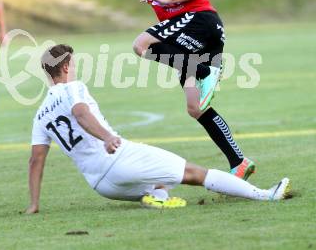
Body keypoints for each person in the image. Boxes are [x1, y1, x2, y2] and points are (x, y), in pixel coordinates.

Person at [51, 0, 255, 180]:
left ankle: (203, 72)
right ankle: (238, 161)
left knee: (141, 44)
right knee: (196, 107)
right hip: (185, 35)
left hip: (200, 21)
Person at [26, 44, 291, 214]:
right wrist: (107, 137)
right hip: (119, 158)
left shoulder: (40, 113)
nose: (75, 68)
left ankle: (157, 197)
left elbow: (36, 160)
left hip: (100, 183)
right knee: (194, 173)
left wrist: (34, 204)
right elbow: (80, 113)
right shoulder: (73, 88)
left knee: (162, 180)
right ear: (64, 67)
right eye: (73, 64)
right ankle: (266, 195)